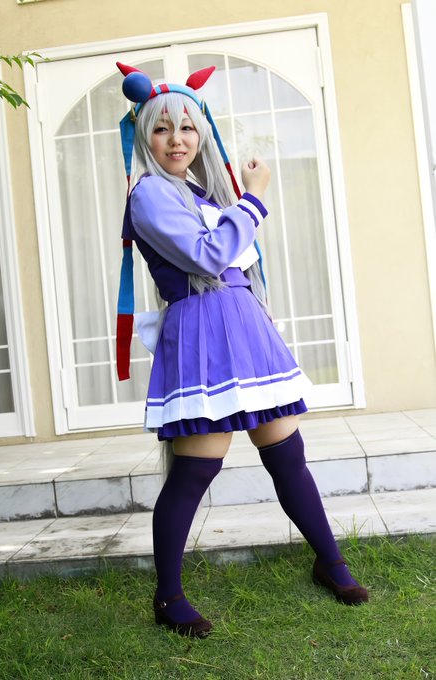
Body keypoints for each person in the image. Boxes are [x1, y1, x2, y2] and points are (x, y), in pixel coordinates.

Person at [115, 62, 368, 638]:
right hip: (202, 335)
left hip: (245, 329)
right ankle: (168, 597)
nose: (176, 139)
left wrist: (260, 307)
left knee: (287, 456)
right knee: (195, 471)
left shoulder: (204, 192)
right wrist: (253, 198)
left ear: (201, 132)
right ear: (145, 136)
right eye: (161, 128)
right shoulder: (149, 194)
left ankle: (331, 564)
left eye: (187, 127)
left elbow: (239, 265)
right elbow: (208, 256)